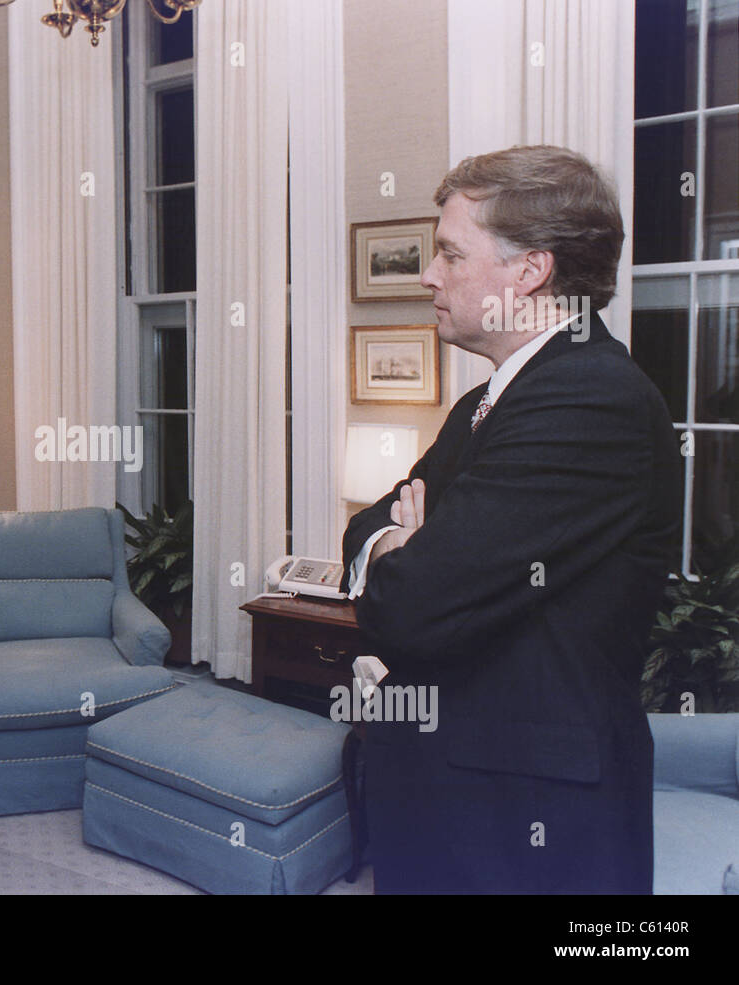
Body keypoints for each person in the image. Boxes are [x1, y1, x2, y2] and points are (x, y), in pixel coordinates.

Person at [341, 145, 681, 893]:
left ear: (529, 272)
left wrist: (403, 549)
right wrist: (397, 539)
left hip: (525, 824)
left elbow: (411, 607)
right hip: (454, 800)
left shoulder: (591, 398)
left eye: (450, 254)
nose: (429, 275)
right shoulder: (486, 402)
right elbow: (364, 526)